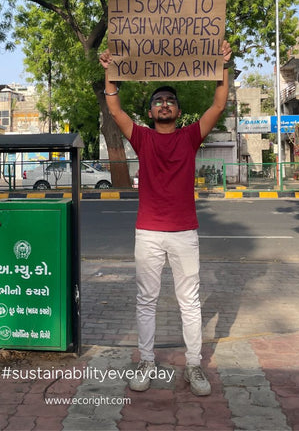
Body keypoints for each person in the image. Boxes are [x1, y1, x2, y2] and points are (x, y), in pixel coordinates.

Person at [99, 40, 232, 396]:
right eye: (158, 101)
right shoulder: (142, 138)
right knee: (146, 299)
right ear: (151, 111)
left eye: (170, 100)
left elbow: (219, 104)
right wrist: (111, 73)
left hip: (185, 233)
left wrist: (223, 65)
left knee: (189, 300)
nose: (164, 104)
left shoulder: (190, 137)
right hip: (148, 233)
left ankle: (193, 366)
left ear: (178, 109)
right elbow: (115, 111)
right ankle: (146, 360)